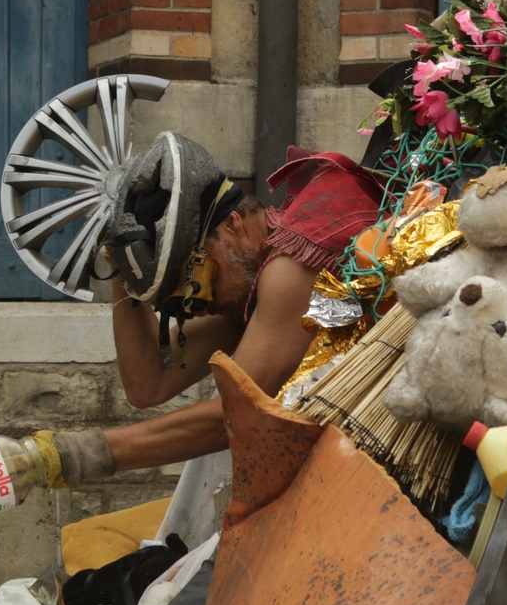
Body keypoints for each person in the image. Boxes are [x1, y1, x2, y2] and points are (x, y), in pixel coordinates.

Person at [33, 133, 385, 489]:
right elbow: (148, 385)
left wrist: (72, 455)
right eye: (179, 300)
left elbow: (238, 412)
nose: (197, 308)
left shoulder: (291, 266)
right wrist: (123, 264)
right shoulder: (248, 282)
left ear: (231, 224)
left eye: (198, 279)